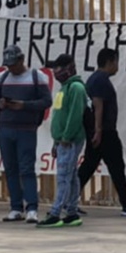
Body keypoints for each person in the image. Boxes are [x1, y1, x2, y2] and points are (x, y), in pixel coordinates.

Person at [76, 48, 126, 217]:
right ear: (109, 62)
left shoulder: (95, 78)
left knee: (88, 167)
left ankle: (67, 201)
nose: (117, 66)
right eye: (116, 61)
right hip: (105, 133)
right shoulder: (100, 80)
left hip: (98, 131)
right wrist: (99, 130)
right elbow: (98, 105)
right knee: (116, 167)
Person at [0, 44, 52, 223]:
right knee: (10, 169)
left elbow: (46, 101)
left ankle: (32, 208)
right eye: (8, 65)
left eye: (13, 65)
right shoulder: (2, 78)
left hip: (26, 129)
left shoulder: (36, 77)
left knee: (26, 168)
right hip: (5, 128)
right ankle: (16, 207)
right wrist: (0, 104)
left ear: (22, 60)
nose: (11, 69)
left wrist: (24, 105)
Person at [37, 54, 88, 228]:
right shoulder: (63, 88)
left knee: (64, 177)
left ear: (69, 68)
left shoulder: (76, 88)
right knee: (71, 176)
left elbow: (75, 115)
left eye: (58, 68)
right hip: (62, 140)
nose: (54, 72)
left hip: (70, 140)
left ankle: (56, 212)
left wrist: (66, 137)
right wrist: (56, 142)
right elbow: (60, 115)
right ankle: (72, 212)